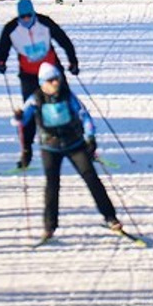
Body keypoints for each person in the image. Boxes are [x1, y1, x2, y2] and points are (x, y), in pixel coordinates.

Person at [14, 62, 125, 244]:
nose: (55, 83)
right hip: (50, 147)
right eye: (51, 80)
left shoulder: (68, 96)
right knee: (52, 185)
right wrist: (18, 117)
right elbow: (22, 119)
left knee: (91, 179)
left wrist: (90, 136)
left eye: (57, 79)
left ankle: (111, 218)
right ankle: (50, 227)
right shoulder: (36, 98)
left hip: (74, 143)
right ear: (43, 83)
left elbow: (84, 115)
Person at [0, 0, 80, 170]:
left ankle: (82, 143)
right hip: (29, 76)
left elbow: (63, 40)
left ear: (33, 14)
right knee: (30, 113)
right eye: (23, 17)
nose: (26, 20)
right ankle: (26, 152)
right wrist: (1, 61)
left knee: (66, 106)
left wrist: (73, 61)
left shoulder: (45, 23)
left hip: (52, 73)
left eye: (29, 16)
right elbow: (3, 48)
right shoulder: (11, 28)